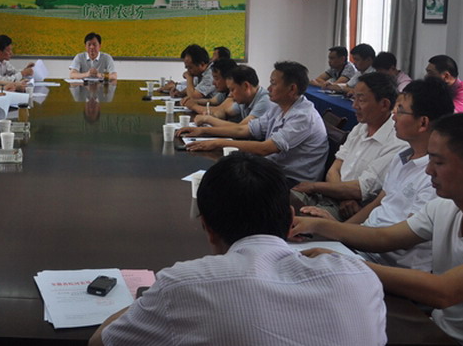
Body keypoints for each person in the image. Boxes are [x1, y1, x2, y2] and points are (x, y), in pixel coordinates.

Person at [89, 152, 386, 346]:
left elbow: (101, 341)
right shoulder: (360, 278)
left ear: (207, 227)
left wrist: (151, 300)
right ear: (290, 220)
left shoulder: (183, 286)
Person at [292, 113, 463, 346]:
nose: (428, 171)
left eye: (439, 163)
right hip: (437, 327)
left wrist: (348, 263)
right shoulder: (443, 208)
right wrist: (317, 225)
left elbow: (445, 291)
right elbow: (382, 237)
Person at [299, 77, 455, 271]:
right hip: (362, 248)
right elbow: (378, 203)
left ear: (423, 123)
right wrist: (341, 229)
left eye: (400, 110)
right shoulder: (401, 158)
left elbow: (392, 239)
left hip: (388, 266)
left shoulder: (435, 177)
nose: (394, 116)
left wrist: (334, 230)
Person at [182, 61, 328, 185]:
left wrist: (218, 143)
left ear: (292, 88)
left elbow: (265, 149)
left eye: (273, 84)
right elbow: (243, 130)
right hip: (274, 170)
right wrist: (204, 131)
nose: (269, 88)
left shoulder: (303, 116)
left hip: (293, 181)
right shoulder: (278, 107)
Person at [291, 73, 406, 220]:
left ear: (384, 104)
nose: (354, 105)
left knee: (300, 219)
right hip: (335, 197)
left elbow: (362, 189)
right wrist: (341, 196)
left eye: (361, 100)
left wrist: (314, 186)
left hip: (354, 211)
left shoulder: (396, 142)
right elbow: (333, 170)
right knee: (279, 200)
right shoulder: (361, 127)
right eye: (354, 98)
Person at [191, 65, 271, 125]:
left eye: (232, 90)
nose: (231, 95)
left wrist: (208, 120)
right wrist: (212, 115)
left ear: (245, 86)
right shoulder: (245, 99)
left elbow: (240, 129)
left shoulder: (264, 100)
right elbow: (225, 112)